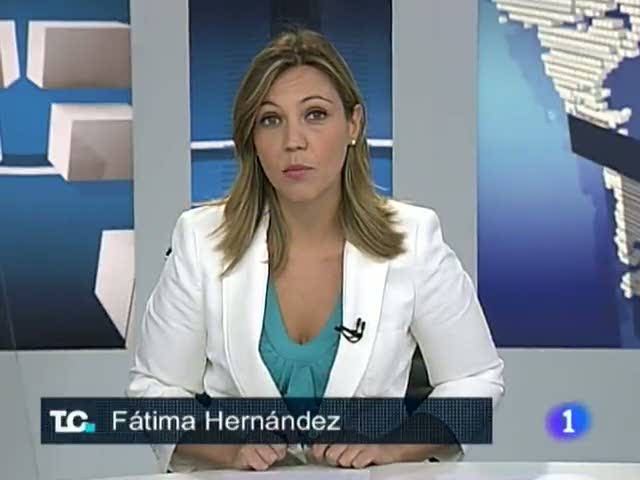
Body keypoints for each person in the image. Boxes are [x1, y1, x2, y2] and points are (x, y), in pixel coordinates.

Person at [127, 27, 505, 473]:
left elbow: (475, 380)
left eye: (315, 115)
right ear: (251, 138)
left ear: (353, 125)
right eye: (271, 120)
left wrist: (393, 448)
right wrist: (228, 450)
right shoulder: (201, 239)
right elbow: (155, 391)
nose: (294, 141)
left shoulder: (413, 237)